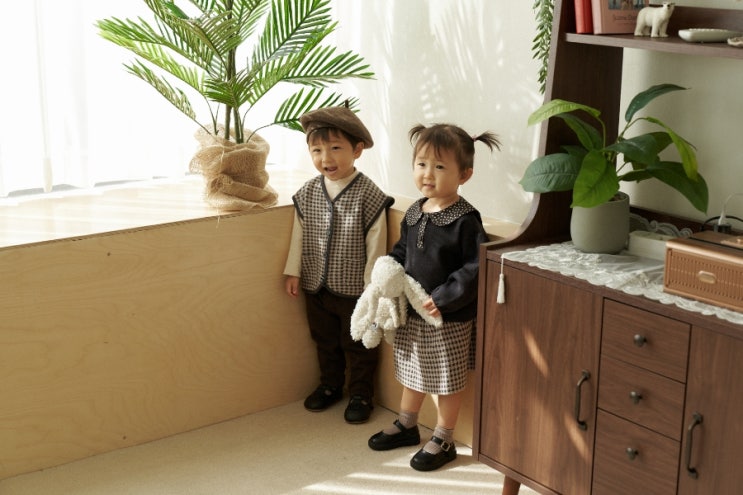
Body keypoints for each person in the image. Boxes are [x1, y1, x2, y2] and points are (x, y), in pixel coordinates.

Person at [367, 123, 500, 472]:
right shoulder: (415, 211)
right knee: (412, 370)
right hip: (413, 312)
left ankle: (444, 438)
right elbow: (403, 250)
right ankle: (407, 423)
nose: (428, 174)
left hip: (447, 317)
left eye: (439, 167)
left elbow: (475, 267)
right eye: (422, 164)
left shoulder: (465, 220)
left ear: (464, 175)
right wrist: (389, 270)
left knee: (446, 379)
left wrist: (444, 297)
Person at [284, 105, 394, 424]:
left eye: (335, 148)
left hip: (355, 290)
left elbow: (377, 241)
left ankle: (361, 394)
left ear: (357, 150)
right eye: (317, 150)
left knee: (359, 343)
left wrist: (372, 286)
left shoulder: (369, 194)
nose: (326, 158)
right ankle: (330, 385)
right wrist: (293, 271)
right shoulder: (308, 192)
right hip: (315, 285)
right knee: (324, 340)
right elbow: (299, 234)